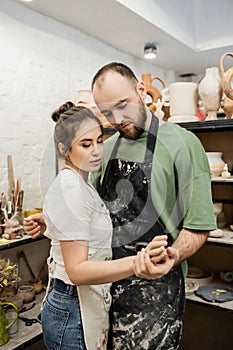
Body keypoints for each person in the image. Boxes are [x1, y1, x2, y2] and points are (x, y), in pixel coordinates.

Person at [24, 63, 216, 350]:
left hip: (156, 293)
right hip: (105, 286)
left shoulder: (184, 144)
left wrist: (173, 255)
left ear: (141, 90)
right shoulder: (106, 147)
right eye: (108, 112)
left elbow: (198, 226)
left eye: (123, 105)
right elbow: (92, 206)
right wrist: (55, 218)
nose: (118, 118)